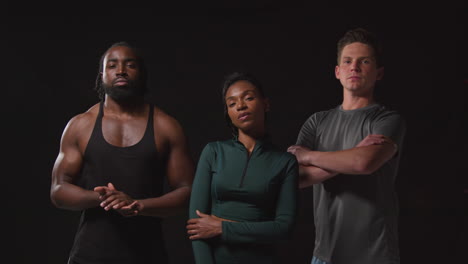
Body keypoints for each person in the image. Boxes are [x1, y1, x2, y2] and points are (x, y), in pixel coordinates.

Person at [50, 41, 195, 264]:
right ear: (102, 75)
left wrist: (139, 205)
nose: (121, 71)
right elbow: (58, 190)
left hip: (147, 256)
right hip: (89, 256)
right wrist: (103, 198)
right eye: (112, 65)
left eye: (130, 65)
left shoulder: (166, 127)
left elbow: (186, 191)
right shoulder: (80, 125)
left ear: (141, 73)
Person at [287, 27, 406, 264]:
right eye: (348, 61)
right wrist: (350, 156)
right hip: (325, 255)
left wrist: (309, 155)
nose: (355, 67)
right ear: (337, 71)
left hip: (375, 256)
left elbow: (363, 163)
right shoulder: (317, 122)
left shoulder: (388, 120)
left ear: (379, 72)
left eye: (365, 61)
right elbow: (296, 178)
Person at [186, 72, 299, 264]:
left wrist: (222, 227)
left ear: (265, 104)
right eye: (232, 103)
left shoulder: (285, 162)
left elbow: (283, 228)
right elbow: (196, 225)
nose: (240, 106)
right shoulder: (213, 152)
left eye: (249, 98)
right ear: (228, 114)